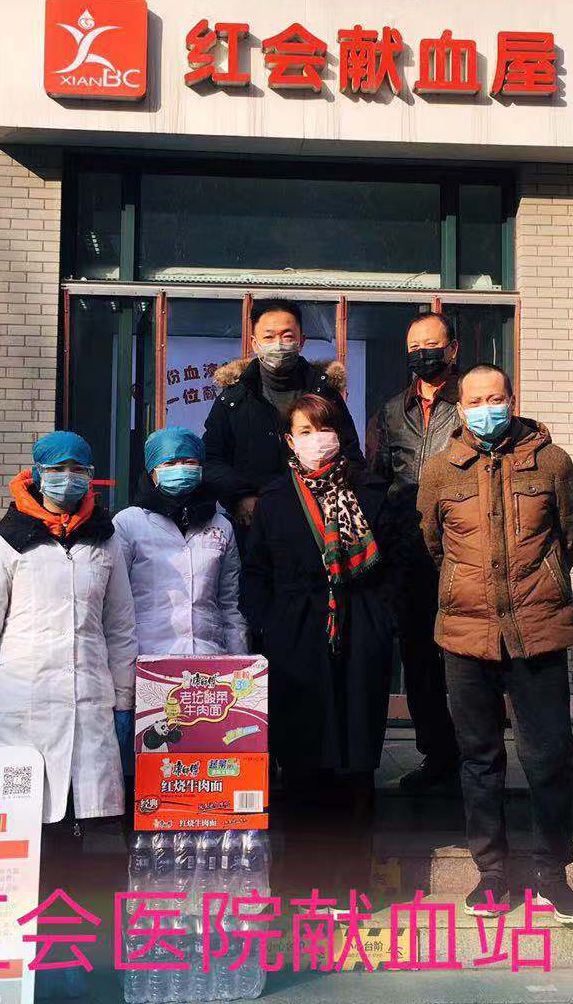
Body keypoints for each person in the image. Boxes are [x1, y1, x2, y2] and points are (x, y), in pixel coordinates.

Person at [416, 363, 573, 924]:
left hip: (538, 630)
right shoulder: (440, 469)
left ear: (511, 400)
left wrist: (540, 584)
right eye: (474, 401)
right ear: (460, 407)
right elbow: (433, 542)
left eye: (495, 398)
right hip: (466, 636)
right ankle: (491, 874)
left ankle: (552, 873)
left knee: (549, 755)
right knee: (479, 758)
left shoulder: (551, 461)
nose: (485, 409)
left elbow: (568, 535)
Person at [240, 392, 396, 901]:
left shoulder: (370, 492)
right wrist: (271, 625)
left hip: (360, 632)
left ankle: (352, 884)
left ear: (340, 433)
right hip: (296, 639)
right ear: (289, 441)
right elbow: (256, 573)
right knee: (303, 759)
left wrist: (381, 622)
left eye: (323, 428)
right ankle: (304, 883)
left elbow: (397, 567)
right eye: (304, 431)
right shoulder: (274, 499)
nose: (315, 440)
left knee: (356, 761)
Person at [0, 430, 137, 825]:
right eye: (57, 468)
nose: (68, 477)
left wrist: (124, 699)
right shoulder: (7, 541)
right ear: (38, 474)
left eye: (78, 469)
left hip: (90, 700)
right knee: (24, 818)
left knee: (86, 821)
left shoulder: (105, 541)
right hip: (23, 701)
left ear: (90, 476)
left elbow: (121, 626)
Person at [366, 311, 461, 791]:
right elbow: (376, 481)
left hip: (462, 551)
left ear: (452, 350)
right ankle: (437, 757)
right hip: (407, 555)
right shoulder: (389, 412)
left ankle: (475, 759)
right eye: (414, 347)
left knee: (464, 660)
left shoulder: (469, 405)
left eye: (432, 344)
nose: (423, 354)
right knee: (419, 659)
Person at [204, 298, 364, 536]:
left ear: (301, 341)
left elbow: (350, 453)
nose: (278, 345)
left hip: (321, 522)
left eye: (287, 336)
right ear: (254, 343)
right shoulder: (234, 399)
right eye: (269, 337)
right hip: (255, 524)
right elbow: (212, 459)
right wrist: (240, 496)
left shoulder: (324, 393)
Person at [113, 425, 249, 657]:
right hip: (148, 656)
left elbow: (230, 604)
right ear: (152, 471)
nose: (180, 469)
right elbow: (116, 604)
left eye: (189, 462)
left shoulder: (220, 524)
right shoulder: (128, 523)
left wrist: (240, 660)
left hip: (209, 656)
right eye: (169, 463)